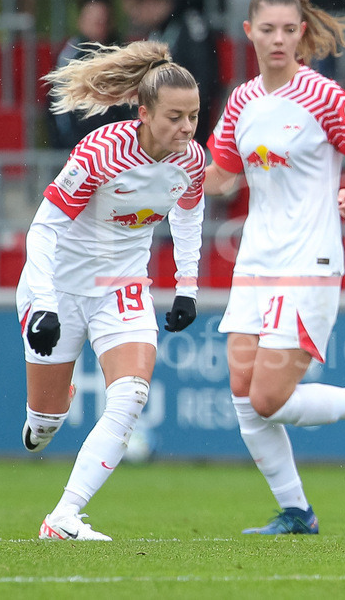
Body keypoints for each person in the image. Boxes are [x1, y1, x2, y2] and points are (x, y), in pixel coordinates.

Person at [202, 0, 345, 536]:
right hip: (256, 260)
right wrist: (158, 165)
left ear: (301, 34)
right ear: (249, 33)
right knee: (243, 395)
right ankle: (297, 512)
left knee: (269, 398)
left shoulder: (322, 94)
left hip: (311, 258)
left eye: (287, 30)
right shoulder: (242, 101)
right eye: (267, 30)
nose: (278, 39)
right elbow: (221, 178)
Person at [20, 41, 206, 541]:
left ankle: (63, 517)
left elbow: (188, 214)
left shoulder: (191, 160)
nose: (186, 128)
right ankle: (45, 416)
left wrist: (187, 286)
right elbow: (44, 229)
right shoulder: (102, 151)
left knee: (131, 396)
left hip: (122, 287)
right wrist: (43, 304)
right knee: (46, 423)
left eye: (193, 116)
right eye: (174, 117)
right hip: (60, 285)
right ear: (143, 113)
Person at [122, 0, 220, 145]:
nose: (136, 20)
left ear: (148, 2)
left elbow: (205, 75)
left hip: (190, 121)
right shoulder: (157, 31)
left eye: (136, 13)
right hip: (169, 120)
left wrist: (187, 114)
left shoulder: (189, 21)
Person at [47, 0, 135, 150]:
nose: (99, 25)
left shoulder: (121, 53)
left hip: (116, 147)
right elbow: (63, 110)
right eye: (94, 20)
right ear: (81, 21)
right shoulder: (70, 56)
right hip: (82, 148)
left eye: (103, 20)